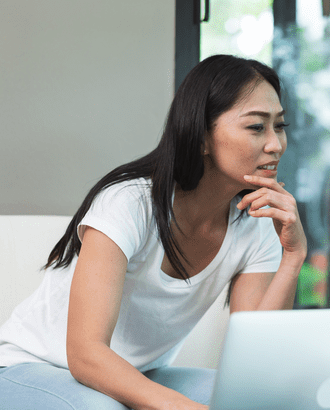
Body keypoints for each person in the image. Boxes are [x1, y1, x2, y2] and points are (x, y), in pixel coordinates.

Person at [0, 55, 307, 410]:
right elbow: (85, 354)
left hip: (139, 372)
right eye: (256, 127)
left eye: (279, 126)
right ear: (202, 136)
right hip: (32, 368)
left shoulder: (255, 220)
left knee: (256, 399)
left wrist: (293, 256)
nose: (275, 144)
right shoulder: (128, 203)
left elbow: (256, 360)